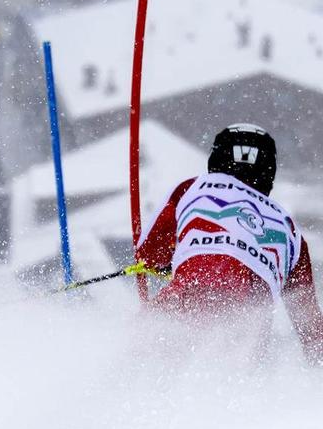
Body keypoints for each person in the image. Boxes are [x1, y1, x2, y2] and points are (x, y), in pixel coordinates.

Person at [136, 123, 323, 364]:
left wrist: (173, 260)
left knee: (135, 368)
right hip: (248, 327)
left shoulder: (192, 187)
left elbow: (148, 256)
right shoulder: (290, 230)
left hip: (188, 293)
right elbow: (311, 330)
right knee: (235, 389)